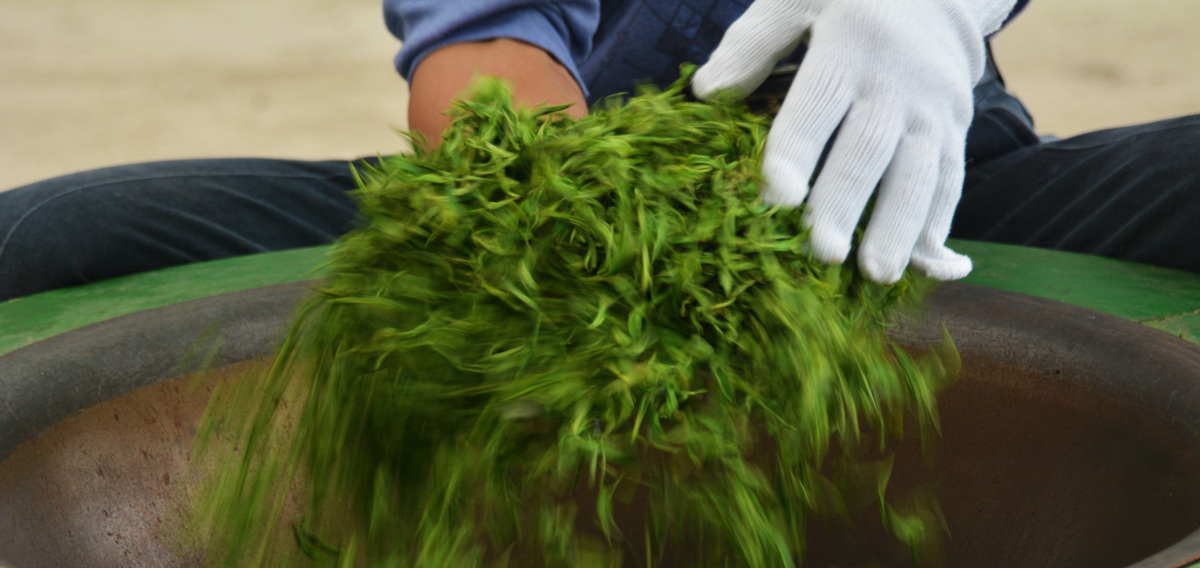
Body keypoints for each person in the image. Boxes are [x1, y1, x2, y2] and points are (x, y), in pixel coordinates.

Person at [1, 0, 1196, 303]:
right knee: (44, 247)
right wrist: (583, 236)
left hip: (920, 199)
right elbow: (486, 70)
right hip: (550, 221)